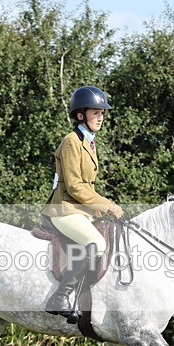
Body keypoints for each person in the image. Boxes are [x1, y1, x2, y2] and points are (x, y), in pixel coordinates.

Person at [42, 86, 124, 320]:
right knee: (97, 243)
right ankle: (60, 296)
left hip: (81, 208)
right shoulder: (71, 141)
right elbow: (76, 186)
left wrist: (100, 209)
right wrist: (107, 205)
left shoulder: (89, 142)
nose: (101, 118)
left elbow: (88, 187)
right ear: (81, 115)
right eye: (96, 113)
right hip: (65, 208)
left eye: (102, 114)